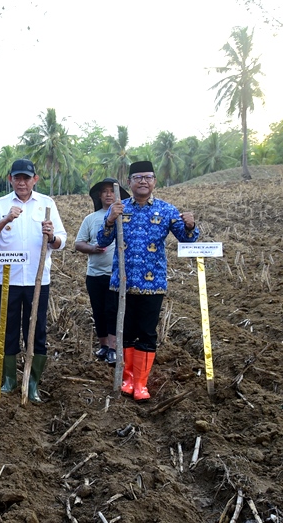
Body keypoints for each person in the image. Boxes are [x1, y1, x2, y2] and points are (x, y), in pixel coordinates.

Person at [97, 161, 199, 402]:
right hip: (122, 284)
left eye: (148, 177)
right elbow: (102, 240)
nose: (143, 181)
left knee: (146, 333)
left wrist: (191, 225)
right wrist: (110, 220)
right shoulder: (119, 208)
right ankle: (127, 379)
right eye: (138, 177)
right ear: (129, 183)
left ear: (154, 181)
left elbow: (188, 239)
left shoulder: (166, 210)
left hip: (152, 286)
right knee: (125, 332)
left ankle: (141, 383)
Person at [0, 158, 66, 403]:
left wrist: (52, 236)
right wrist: (6, 219)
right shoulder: (1, 204)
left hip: (38, 281)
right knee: (6, 328)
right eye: (17, 178)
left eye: (26, 178)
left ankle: (32, 382)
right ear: (10, 179)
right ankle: (9, 379)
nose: (21, 182)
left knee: (37, 330)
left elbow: (61, 241)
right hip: (8, 280)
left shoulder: (47, 204)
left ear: (34, 180)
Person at [74, 178, 129, 364]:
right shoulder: (91, 219)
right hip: (95, 274)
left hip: (117, 274)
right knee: (98, 310)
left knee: (113, 310)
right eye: (105, 191)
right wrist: (92, 248)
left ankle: (114, 348)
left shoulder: (126, 216)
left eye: (112, 191)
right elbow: (78, 243)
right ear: (99, 195)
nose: (108, 194)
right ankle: (104, 345)